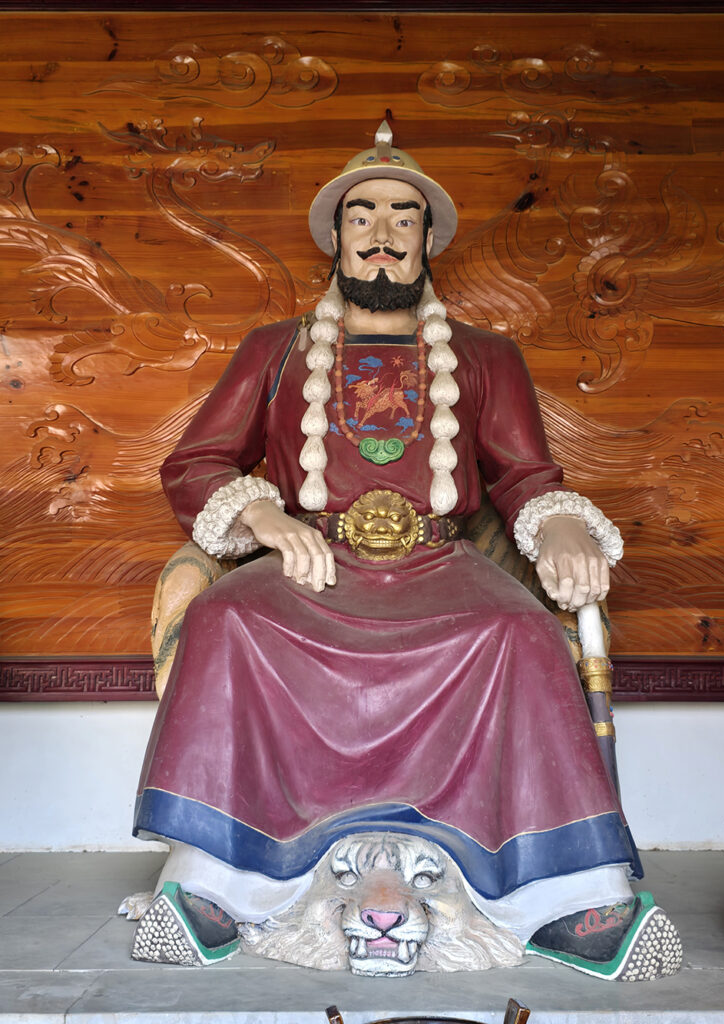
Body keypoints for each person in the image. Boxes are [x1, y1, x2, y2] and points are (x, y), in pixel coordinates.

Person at [130, 123, 681, 981]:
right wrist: (268, 520)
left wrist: (563, 525)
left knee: (522, 635)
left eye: (402, 217)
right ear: (336, 234)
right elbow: (196, 463)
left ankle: (564, 897)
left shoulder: (487, 357)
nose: (382, 234)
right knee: (224, 620)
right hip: (311, 566)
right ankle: (221, 882)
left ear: (428, 239)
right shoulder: (274, 351)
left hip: (440, 565)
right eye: (363, 216)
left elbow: (526, 476)